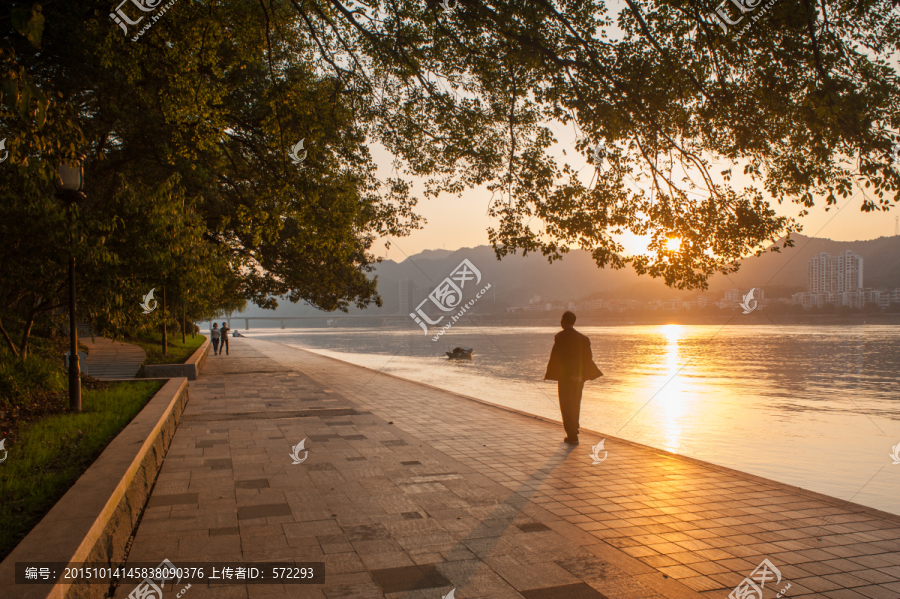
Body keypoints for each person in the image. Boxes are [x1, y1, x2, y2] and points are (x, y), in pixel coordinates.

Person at [543, 311, 603, 445]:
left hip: (566, 377)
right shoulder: (583, 338)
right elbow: (588, 359)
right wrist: (581, 375)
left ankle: (572, 435)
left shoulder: (560, 337)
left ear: (563, 321)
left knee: (566, 405)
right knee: (576, 403)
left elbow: (558, 359)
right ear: (574, 322)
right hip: (579, 377)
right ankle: (574, 429)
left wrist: (557, 373)